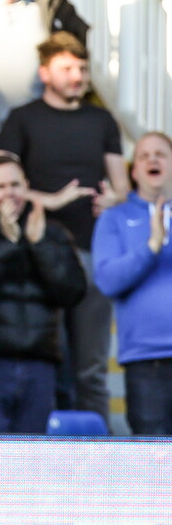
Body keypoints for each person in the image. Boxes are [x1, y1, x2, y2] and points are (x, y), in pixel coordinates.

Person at [0, 31, 128, 425]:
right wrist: (47, 201)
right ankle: (52, 452)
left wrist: (115, 199)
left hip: (93, 249)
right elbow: (0, 180)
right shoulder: (23, 118)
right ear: (45, 72)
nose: (79, 76)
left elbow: (121, 184)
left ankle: (99, 453)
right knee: (54, 362)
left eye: (84, 69)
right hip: (41, 252)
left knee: (91, 367)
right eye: (68, 68)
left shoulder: (101, 119)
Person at [0, 152, 85, 433]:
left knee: (31, 463)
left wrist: (38, 245)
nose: (10, 193)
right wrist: (10, 244)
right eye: (0, 187)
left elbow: (72, 292)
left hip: (40, 365)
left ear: (26, 186)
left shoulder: (50, 232)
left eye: (15, 185)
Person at [93, 132, 172, 435]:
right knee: (154, 466)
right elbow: (108, 281)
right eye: (144, 155)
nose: (153, 159)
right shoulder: (114, 218)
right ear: (134, 171)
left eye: (161, 154)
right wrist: (151, 246)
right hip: (145, 361)